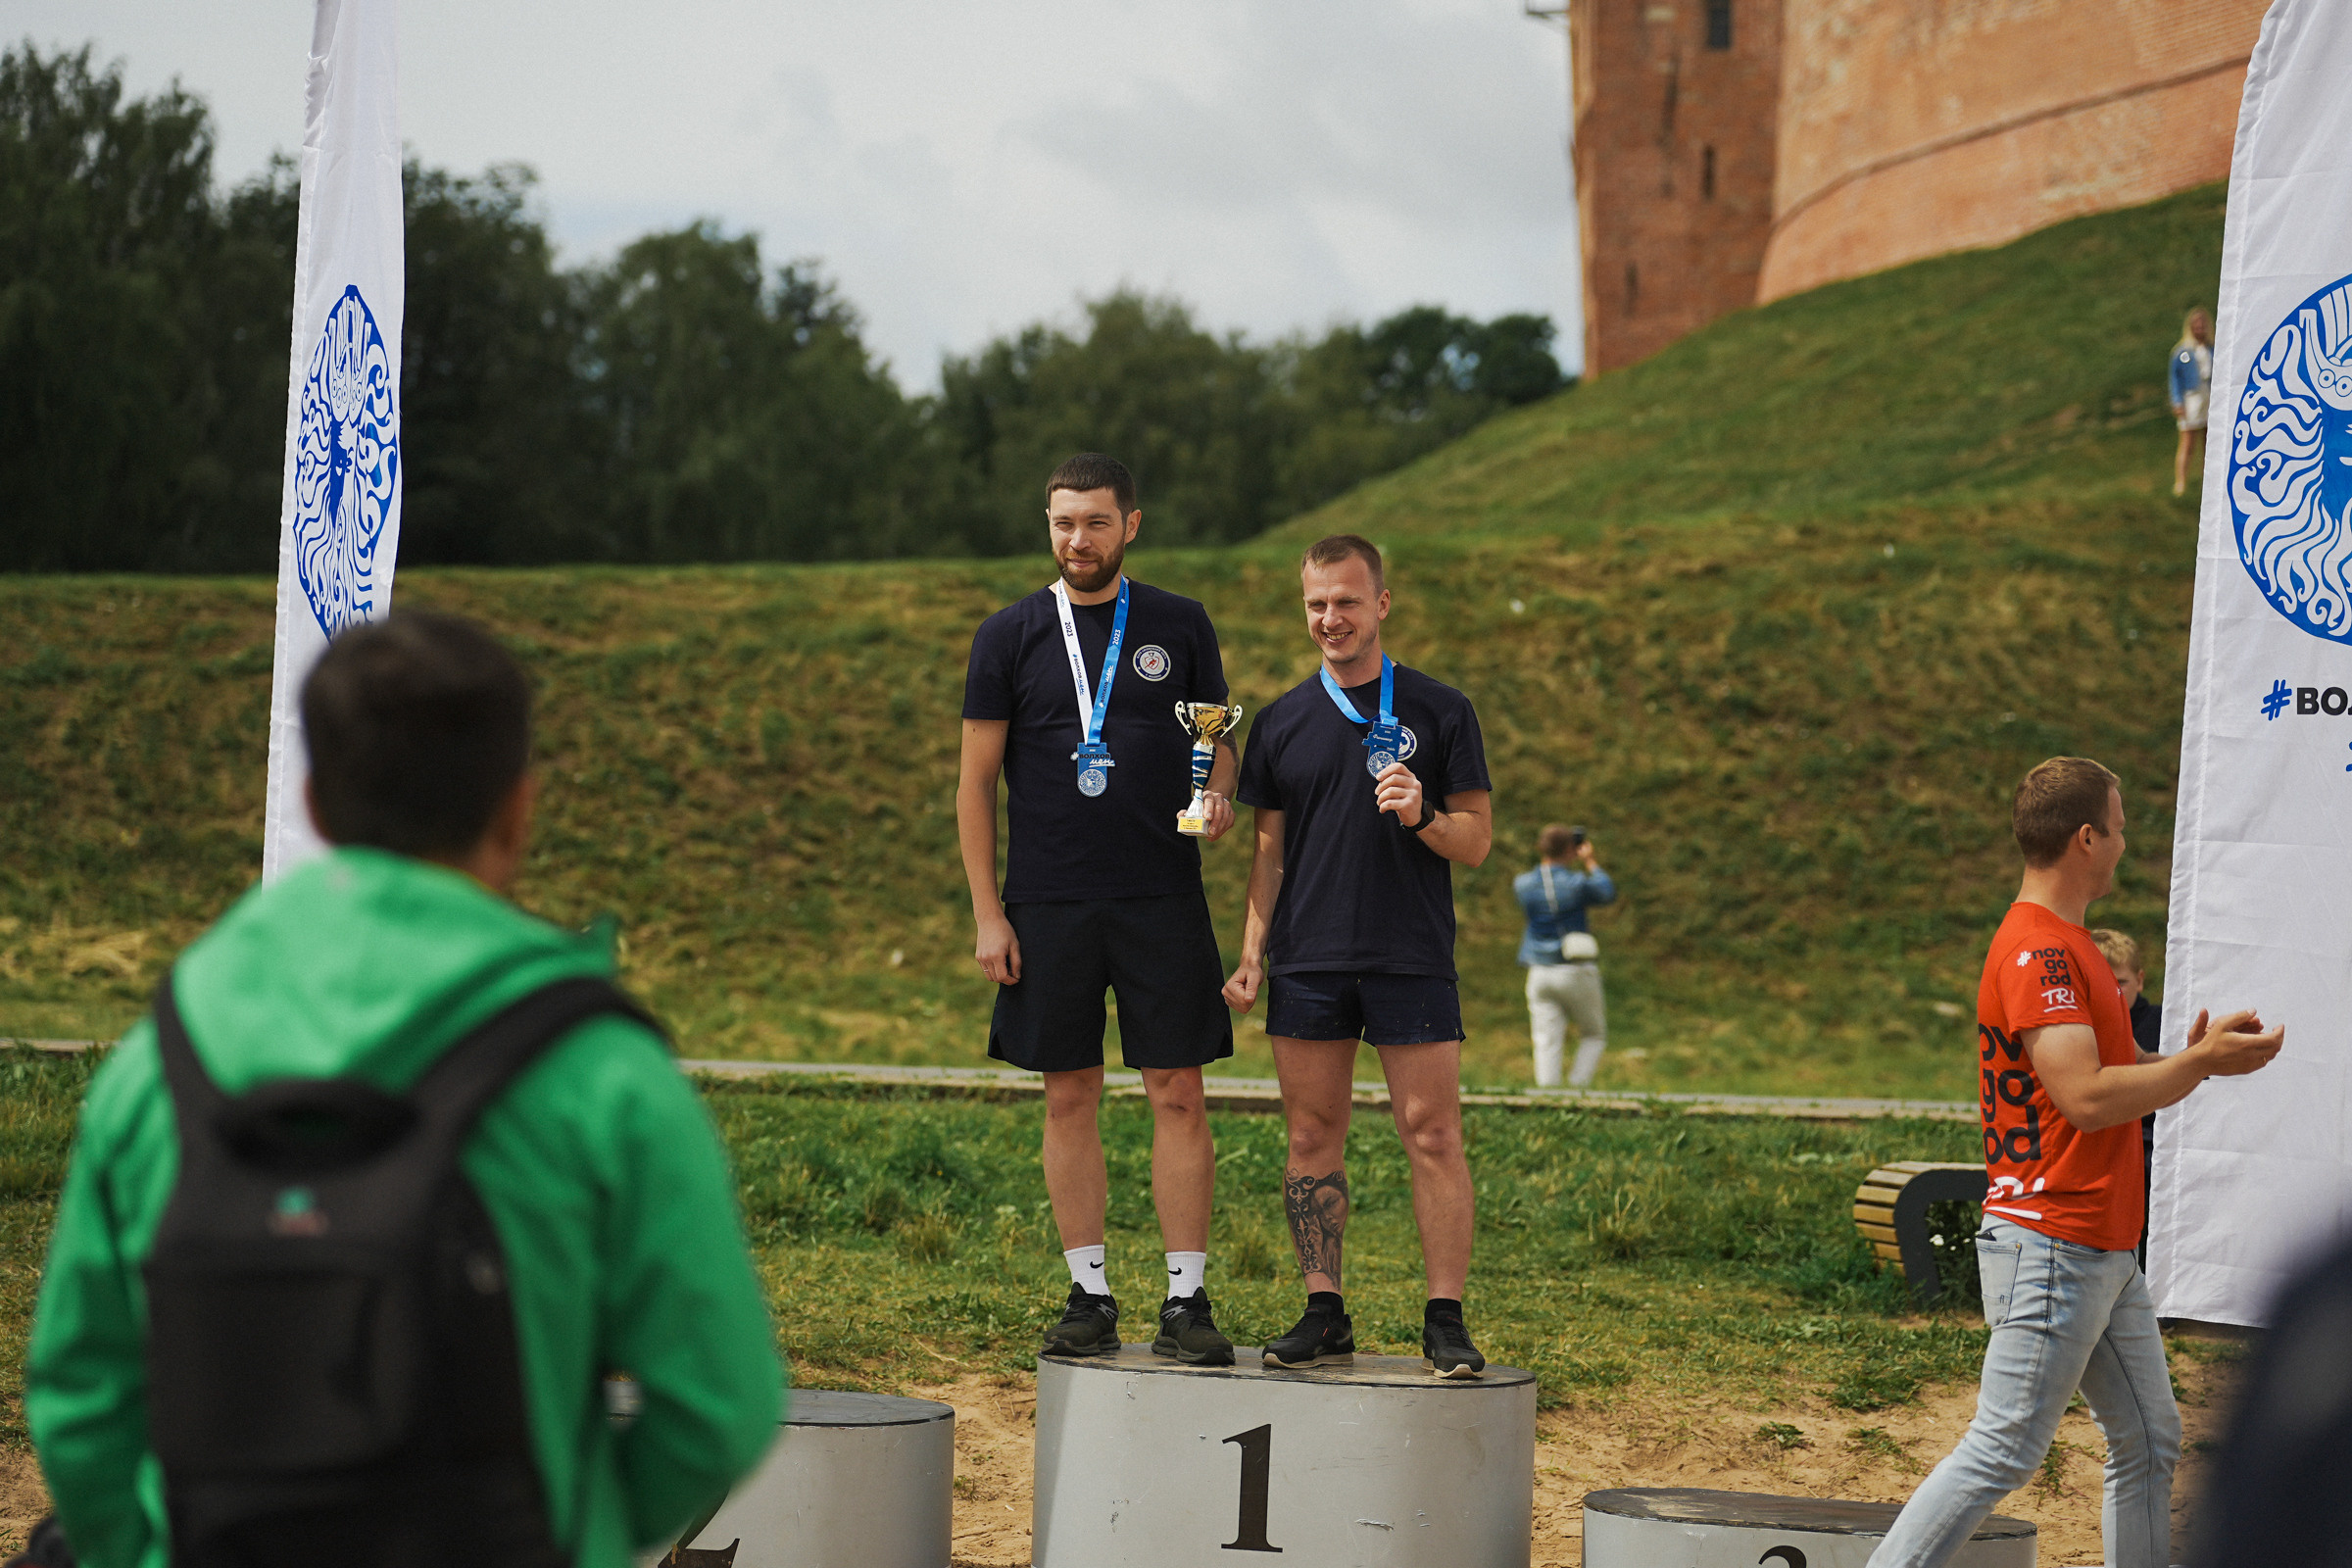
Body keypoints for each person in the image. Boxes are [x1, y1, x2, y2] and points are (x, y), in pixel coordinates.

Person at [24, 610, 785, 1568]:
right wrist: (576, 1530)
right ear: (519, 810)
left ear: (315, 802)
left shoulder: (157, 1066)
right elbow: (720, 1405)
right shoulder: (605, 1076)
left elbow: (79, 1393)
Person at [1865, 757, 2281, 1568]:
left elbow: (2109, 1082)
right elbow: (2085, 1098)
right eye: (2120, 828)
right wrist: (2199, 1067)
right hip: (2055, 1240)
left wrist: (2189, 1055)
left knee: (2151, 1441)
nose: (2126, 843)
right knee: (2004, 1450)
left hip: (2094, 1246)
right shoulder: (2042, 954)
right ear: (2085, 837)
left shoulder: (2070, 947)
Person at [956, 453, 1241, 1366]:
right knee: (1069, 1093)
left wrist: (1221, 793)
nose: (1078, 540)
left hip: (1162, 893)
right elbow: (974, 784)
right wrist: (987, 914)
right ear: (1049, 527)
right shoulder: (1008, 636)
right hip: (1048, 901)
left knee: (1179, 1093)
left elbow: (1216, 741)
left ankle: (1186, 1303)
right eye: (1062, 524)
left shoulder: (1180, 624)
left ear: (1132, 525)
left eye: (1096, 523)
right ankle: (1088, 1294)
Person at [1221, 534, 1494, 1379]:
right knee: (1311, 1135)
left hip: (1409, 951)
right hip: (1308, 956)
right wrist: (1252, 954)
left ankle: (1444, 1319)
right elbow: (1270, 853)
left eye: (1345, 601)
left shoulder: (1441, 710)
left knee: (1433, 1132)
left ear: (1382, 603)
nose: (1330, 618)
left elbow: (1477, 841)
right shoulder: (1282, 720)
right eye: (1315, 604)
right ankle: (1323, 1311)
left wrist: (1422, 816)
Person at [1513, 823, 1617, 1088]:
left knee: (1546, 1038)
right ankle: (1577, 1088)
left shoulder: (1523, 884)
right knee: (1593, 1034)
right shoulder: (1576, 883)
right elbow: (1606, 892)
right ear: (1572, 849)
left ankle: (1548, 1094)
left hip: (1539, 969)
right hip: (1575, 967)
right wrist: (1590, 862)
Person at [2090, 927, 2164, 1263]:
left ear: (2140, 979)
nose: (2114, 993)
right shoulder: (2078, 1026)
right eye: (2103, 983)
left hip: (2150, 1138)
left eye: (2120, 983)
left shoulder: (2161, 1022)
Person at [2169, 307, 2214, 498]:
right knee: (2188, 442)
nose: (2200, 328)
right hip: (2191, 397)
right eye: (2196, 325)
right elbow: (2175, 378)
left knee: (2209, 441)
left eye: (2202, 324)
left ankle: (2209, 481)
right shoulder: (2182, 352)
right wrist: (2177, 402)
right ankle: (2181, 481)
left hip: (2208, 393)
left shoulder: (2212, 348)